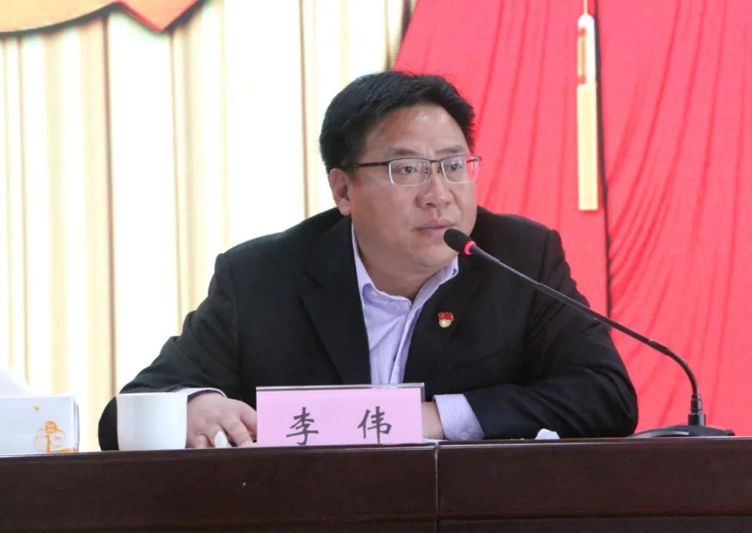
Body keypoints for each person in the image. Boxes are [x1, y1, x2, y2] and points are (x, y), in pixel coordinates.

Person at [98, 71, 637, 449]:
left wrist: (432, 419)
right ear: (343, 191)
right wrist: (193, 406)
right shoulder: (263, 278)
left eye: (453, 166)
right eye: (407, 170)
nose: (439, 195)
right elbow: (124, 413)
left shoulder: (518, 257)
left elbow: (606, 396)